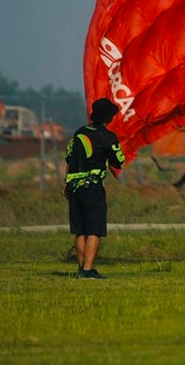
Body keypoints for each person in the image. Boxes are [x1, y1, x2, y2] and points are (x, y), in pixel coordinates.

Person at [64, 97, 125, 279]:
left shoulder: (79, 133)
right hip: (92, 188)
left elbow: (68, 157)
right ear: (109, 117)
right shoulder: (108, 137)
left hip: (73, 187)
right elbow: (119, 161)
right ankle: (88, 271)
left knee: (80, 229)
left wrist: (65, 183)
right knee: (94, 229)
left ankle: (81, 268)